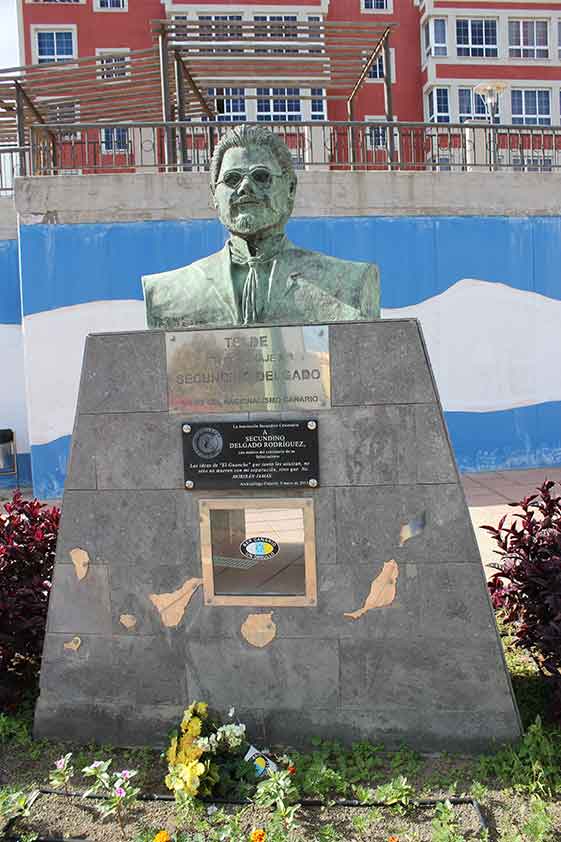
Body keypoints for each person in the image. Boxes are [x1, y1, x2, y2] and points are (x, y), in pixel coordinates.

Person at [143, 124, 380, 329]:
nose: (245, 187)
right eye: (232, 179)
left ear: (290, 188)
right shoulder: (165, 294)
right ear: (214, 195)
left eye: (261, 176)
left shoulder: (351, 285)